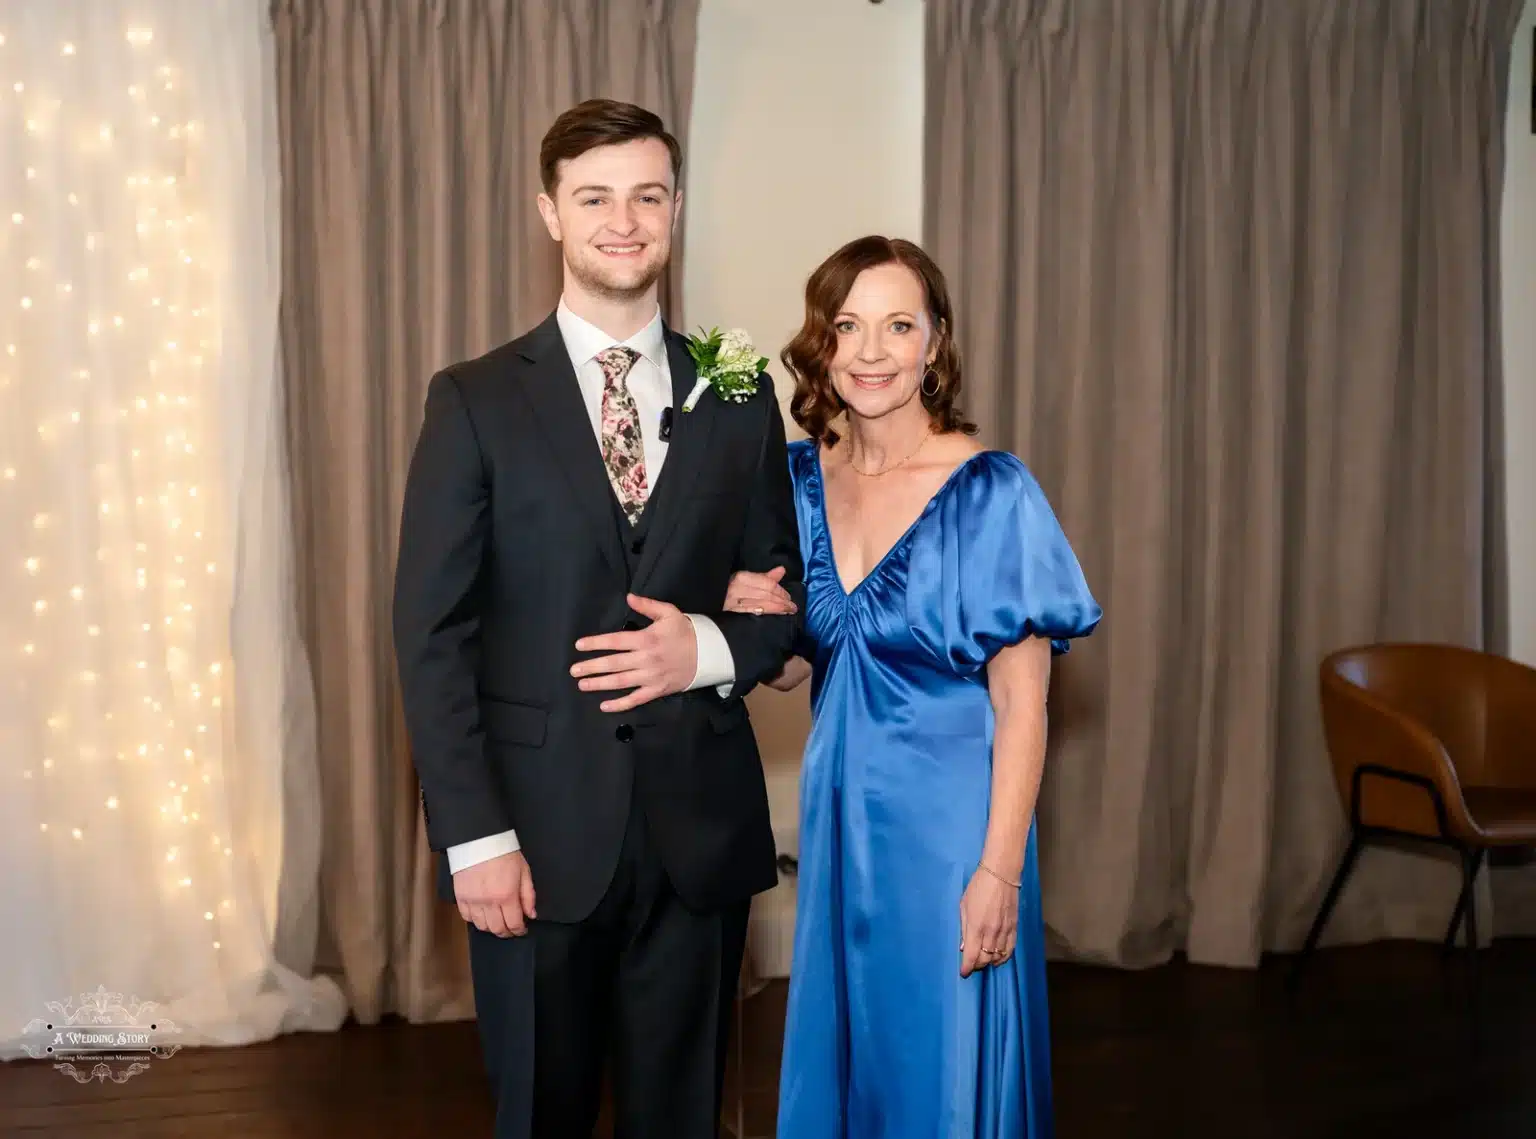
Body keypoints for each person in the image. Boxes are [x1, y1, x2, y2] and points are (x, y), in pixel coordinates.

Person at [391, 98, 803, 1139]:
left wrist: (704, 645)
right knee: (541, 1113)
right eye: (595, 197)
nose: (624, 220)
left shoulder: (741, 393)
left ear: (674, 208)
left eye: (648, 195)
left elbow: (783, 595)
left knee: (684, 1116)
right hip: (531, 835)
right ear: (551, 213)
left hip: (696, 836)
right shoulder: (474, 398)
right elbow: (430, 631)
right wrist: (475, 837)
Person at [725, 236, 1102, 1137]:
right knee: (851, 1068)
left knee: (941, 1072)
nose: (870, 351)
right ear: (821, 343)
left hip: (950, 841)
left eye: (898, 325)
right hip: (838, 825)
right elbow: (811, 666)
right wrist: (752, 621)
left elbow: (1024, 703)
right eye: (848, 326)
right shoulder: (798, 480)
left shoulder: (990, 492)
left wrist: (998, 870)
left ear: (935, 342)